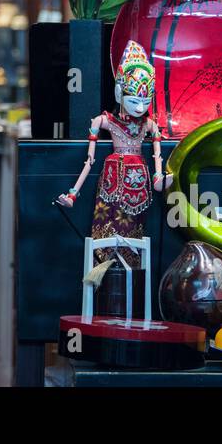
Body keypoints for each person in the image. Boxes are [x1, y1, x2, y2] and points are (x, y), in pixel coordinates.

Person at [57, 40, 171, 282]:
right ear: (120, 93)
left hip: (140, 190)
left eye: (145, 101)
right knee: (105, 239)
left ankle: (131, 293)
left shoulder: (150, 125)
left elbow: (158, 159)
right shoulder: (104, 121)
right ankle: (105, 283)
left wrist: (159, 178)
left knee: (135, 244)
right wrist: (72, 194)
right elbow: (90, 160)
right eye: (134, 100)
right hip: (111, 185)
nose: (140, 107)